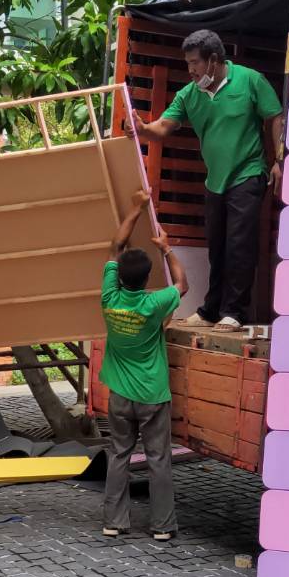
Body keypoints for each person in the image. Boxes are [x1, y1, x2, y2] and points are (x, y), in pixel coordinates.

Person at [134, 28, 283, 331]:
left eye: (195, 63)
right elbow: (162, 127)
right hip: (215, 180)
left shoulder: (250, 80)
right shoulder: (189, 94)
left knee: (239, 245)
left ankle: (234, 312)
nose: (190, 70)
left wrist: (279, 160)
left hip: (248, 172)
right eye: (188, 63)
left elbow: (275, 116)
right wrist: (142, 129)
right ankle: (211, 310)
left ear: (213, 60)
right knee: (217, 247)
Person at [100, 190, 188, 541]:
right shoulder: (154, 304)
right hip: (152, 394)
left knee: (119, 455)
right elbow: (182, 285)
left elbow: (115, 246)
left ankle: (114, 522)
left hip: (120, 396)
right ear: (147, 279)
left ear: (119, 276)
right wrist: (166, 249)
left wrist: (136, 207)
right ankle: (162, 526)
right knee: (158, 459)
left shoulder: (109, 298)